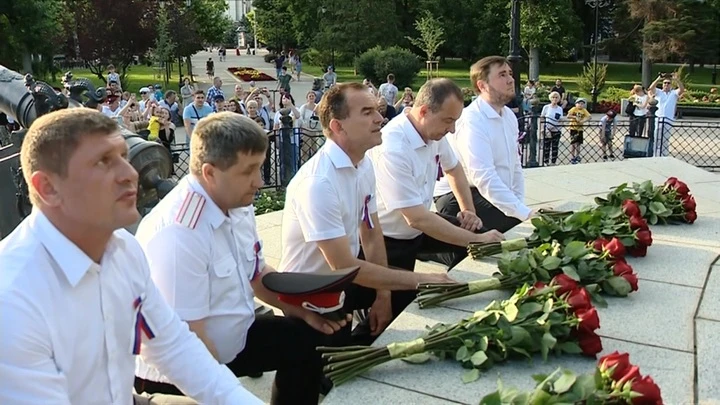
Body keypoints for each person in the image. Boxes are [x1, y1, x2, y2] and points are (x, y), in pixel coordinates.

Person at [0, 109, 261, 404]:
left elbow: (173, 346)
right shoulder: (13, 300)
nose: (130, 174)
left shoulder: (123, 250)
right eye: (104, 161)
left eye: (124, 156)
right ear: (47, 188)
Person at [133, 113, 347, 404]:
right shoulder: (180, 233)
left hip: (231, 339)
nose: (259, 181)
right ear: (210, 173)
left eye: (260, 167)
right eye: (249, 171)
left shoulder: (236, 201)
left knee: (306, 339)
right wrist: (232, 396)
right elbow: (188, 343)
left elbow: (256, 274)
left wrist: (303, 311)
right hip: (180, 373)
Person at [279, 83, 455, 344]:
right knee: (313, 377)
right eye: (366, 112)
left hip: (339, 281)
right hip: (311, 294)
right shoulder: (318, 183)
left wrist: (383, 296)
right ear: (338, 126)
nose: (380, 118)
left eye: (376, 109)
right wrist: (424, 279)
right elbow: (344, 266)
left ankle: (363, 340)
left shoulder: (362, 164)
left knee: (396, 297)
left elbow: (371, 233)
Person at [369, 78, 504, 275]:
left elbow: (454, 169)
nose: (452, 129)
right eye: (448, 120)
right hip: (390, 238)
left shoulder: (431, 132)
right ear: (424, 111)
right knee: (403, 300)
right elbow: (416, 219)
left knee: (480, 238)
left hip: (419, 226)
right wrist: (477, 240)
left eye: (455, 121)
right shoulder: (393, 148)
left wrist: (468, 211)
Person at [432, 56, 537, 247]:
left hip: (483, 193)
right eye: (502, 75)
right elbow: (483, 176)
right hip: (456, 197)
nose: (511, 80)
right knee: (516, 227)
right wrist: (523, 213)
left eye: (510, 74)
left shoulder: (509, 118)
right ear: (482, 85)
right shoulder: (473, 120)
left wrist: (520, 205)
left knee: (518, 222)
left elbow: (515, 167)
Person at [648, 72, 685, 157]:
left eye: (668, 83)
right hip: (658, 118)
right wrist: (659, 79)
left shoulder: (674, 93)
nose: (666, 85)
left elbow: (682, 89)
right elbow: (651, 88)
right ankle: (655, 155)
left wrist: (676, 79)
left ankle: (664, 155)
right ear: (662, 84)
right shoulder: (659, 92)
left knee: (665, 138)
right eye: (665, 83)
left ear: (671, 85)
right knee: (657, 137)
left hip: (668, 119)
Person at [540, 91, 564, 165]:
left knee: (555, 146)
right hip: (547, 129)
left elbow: (561, 119)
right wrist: (543, 128)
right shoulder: (546, 107)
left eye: (556, 97)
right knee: (546, 146)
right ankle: (545, 161)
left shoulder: (560, 108)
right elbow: (542, 118)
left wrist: (561, 121)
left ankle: (553, 162)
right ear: (550, 98)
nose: (555, 99)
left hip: (556, 129)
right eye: (553, 97)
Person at [566, 98, 591, 164]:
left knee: (578, 143)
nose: (580, 105)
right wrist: (575, 117)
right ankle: (572, 156)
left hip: (580, 129)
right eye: (579, 103)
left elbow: (589, 117)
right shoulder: (574, 109)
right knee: (573, 143)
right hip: (573, 128)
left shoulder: (584, 110)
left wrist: (583, 120)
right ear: (576, 104)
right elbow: (568, 116)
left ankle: (577, 155)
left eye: (582, 104)